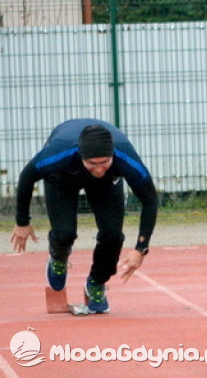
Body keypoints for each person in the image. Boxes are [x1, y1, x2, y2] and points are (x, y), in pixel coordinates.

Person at [10, 119, 158, 313]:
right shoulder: (58, 153)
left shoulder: (125, 157)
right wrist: (22, 222)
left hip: (107, 183)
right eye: (92, 163)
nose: (98, 168)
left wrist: (141, 248)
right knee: (65, 233)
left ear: (112, 154)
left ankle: (96, 283)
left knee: (112, 235)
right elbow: (27, 177)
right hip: (62, 177)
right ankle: (58, 258)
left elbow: (150, 199)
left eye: (104, 162)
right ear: (81, 155)